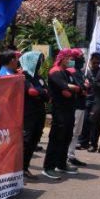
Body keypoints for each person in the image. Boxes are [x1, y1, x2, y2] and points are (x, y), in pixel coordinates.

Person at [42, 49, 80, 180]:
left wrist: (71, 88)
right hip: (60, 110)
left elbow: (78, 87)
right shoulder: (55, 71)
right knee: (56, 138)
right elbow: (64, 86)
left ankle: (61, 164)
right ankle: (48, 167)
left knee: (67, 137)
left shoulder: (67, 72)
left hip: (69, 109)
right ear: (62, 58)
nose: (70, 60)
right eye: (68, 58)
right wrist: (70, 88)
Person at [19, 52, 49, 180]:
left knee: (34, 140)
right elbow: (31, 92)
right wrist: (41, 92)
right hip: (28, 113)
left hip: (39, 112)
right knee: (26, 141)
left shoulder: (39, 77)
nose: (39, 64)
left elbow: (48, 95)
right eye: (37, 61)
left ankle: (25, 168)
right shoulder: (23, 76)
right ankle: (19, 169)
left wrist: (41, 93)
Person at [66, 49, 88, 167]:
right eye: (80, 57)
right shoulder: (71, 71)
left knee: (77, 132)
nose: (83, 59)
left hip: (81, 105)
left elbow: (84, 87)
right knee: (72, 132)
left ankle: (71, 155)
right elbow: (80, 87)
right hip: (74, 105)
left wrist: (84, 87)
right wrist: (83, 87)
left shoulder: (79, 71)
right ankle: (65, 156)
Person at [77, 52, 100, 149]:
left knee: (94, 122)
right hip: (87, 99)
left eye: (98, 63)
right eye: (95, 62)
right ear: (91, 61)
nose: (96, 65)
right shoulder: (84, 72)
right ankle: (82, 141)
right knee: (85, 121)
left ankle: (91, 143)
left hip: (97, 101)